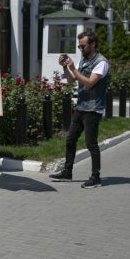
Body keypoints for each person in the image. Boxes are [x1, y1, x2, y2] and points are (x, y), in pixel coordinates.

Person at [49, 31, 110, 189]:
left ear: (93, 44)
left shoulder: (101, 62)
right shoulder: (84, 60)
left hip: (93, 108)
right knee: (70, 139)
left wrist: (73, 67)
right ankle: (67, 172)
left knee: (91, 143)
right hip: (81, 106)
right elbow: (71, 80)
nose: (80, 49)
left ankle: (95, 177)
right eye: (79, 46)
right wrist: (65, 68)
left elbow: (89, 83)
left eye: (83, 46)